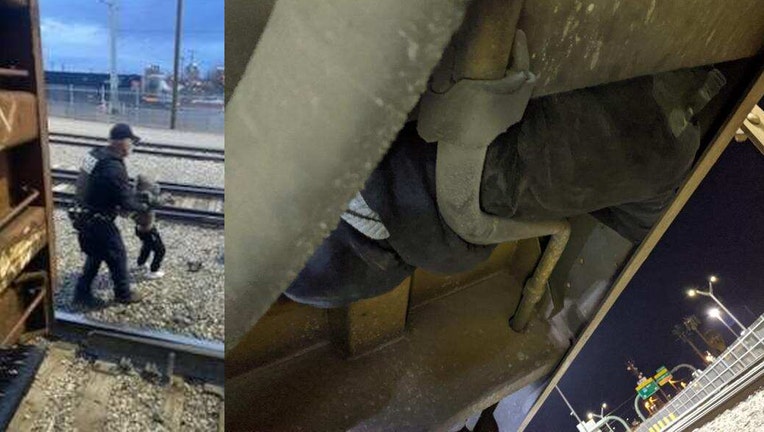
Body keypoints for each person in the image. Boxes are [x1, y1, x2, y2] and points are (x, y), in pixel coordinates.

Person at [71, 123, 147, 307]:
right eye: (131, 142)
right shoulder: (113, 167)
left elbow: (96, 185)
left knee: (97, 253)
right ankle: (123, 294)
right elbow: (126, 202)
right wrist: (144, 206)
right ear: (122, 142)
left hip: (83, 214)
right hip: (97, 220)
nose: (132, 146)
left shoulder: (95, 154)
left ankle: (81, 293)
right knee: (117, 253)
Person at [132, 174, 171, 279]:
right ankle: (153, 271)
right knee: (160, 250)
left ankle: (141, 263)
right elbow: (158, 201)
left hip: (140, 229)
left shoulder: (135, 194)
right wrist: (167, 196)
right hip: (148, 229)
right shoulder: (146, 198)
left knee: (147, 246)